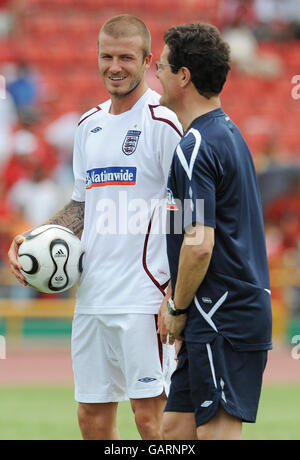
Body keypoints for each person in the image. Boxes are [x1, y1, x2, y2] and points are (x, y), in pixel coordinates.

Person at [8, 15, 182, 440]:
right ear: (97, 58)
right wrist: (33, 236)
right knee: (91, 417)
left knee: (150, 418)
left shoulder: (164, 122)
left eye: (126, 57)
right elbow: (81, 204)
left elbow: (187, 212)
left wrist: (176, 295)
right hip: (92, 295)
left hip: (145, 296)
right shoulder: (89, 125)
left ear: (147, 60)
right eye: (107, 56)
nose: (115, 66)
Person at [156, 22, 273, 440]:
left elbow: (199, 243)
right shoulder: (225, 134)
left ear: (183, 76)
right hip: (216, 312)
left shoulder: (197, 146)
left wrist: (177, 308)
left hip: (220, 314)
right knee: (172, 432)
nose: (156, 75)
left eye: (161, 66)